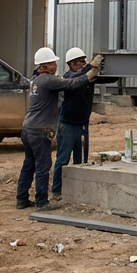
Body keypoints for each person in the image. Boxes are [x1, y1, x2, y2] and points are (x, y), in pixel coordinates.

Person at [17, 46, 99, 210]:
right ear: (44, 66)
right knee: (43, 167)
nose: (55, 66)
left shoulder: (36, 79)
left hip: (28, 129)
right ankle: (42, 202)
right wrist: (89, 73)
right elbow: (71, 83)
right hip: (40, 131)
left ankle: (22, 199)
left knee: (29, 164)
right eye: (53, 63)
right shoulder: (47, 79)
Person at [50, 47, 101, 200]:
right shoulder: (68, 78)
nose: (82, 64)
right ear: (71, 64)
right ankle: (57, 190)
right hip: (68, 124)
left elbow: (95, 77)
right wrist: (90, 68)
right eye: (79, 62)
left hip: (81, 124)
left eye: (83, 62)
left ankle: (77, 189)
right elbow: (77, 78)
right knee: (63, 159)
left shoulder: (87, 77)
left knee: (80, 160)